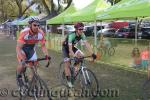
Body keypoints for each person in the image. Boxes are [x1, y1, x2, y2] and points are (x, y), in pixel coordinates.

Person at [16, 16, 49, 86]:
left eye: (38, 25)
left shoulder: (41, 33)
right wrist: (22, 59)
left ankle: (33, 83)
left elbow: (43, 45)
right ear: (30, 25)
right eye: (34, 25)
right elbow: (18, 48)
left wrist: (46, 55)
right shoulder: (24, 32)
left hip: (31, 50)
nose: (37, 27)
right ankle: (18, 76)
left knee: (35, 65)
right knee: (23, 64)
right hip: (22, 49)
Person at [62, 22, 97, 87]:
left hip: (72, 47)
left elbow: (87, 44)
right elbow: (70, 50)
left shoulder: (82, 34)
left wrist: (92, 53)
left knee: (81, 56)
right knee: (67, 63)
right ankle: (68, 80)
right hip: (65, 48)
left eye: (82, 29)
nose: (81, 30)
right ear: (76, 30)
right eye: (80, 29)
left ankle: (75, 69)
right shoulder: (71, 35)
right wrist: (75, 56)